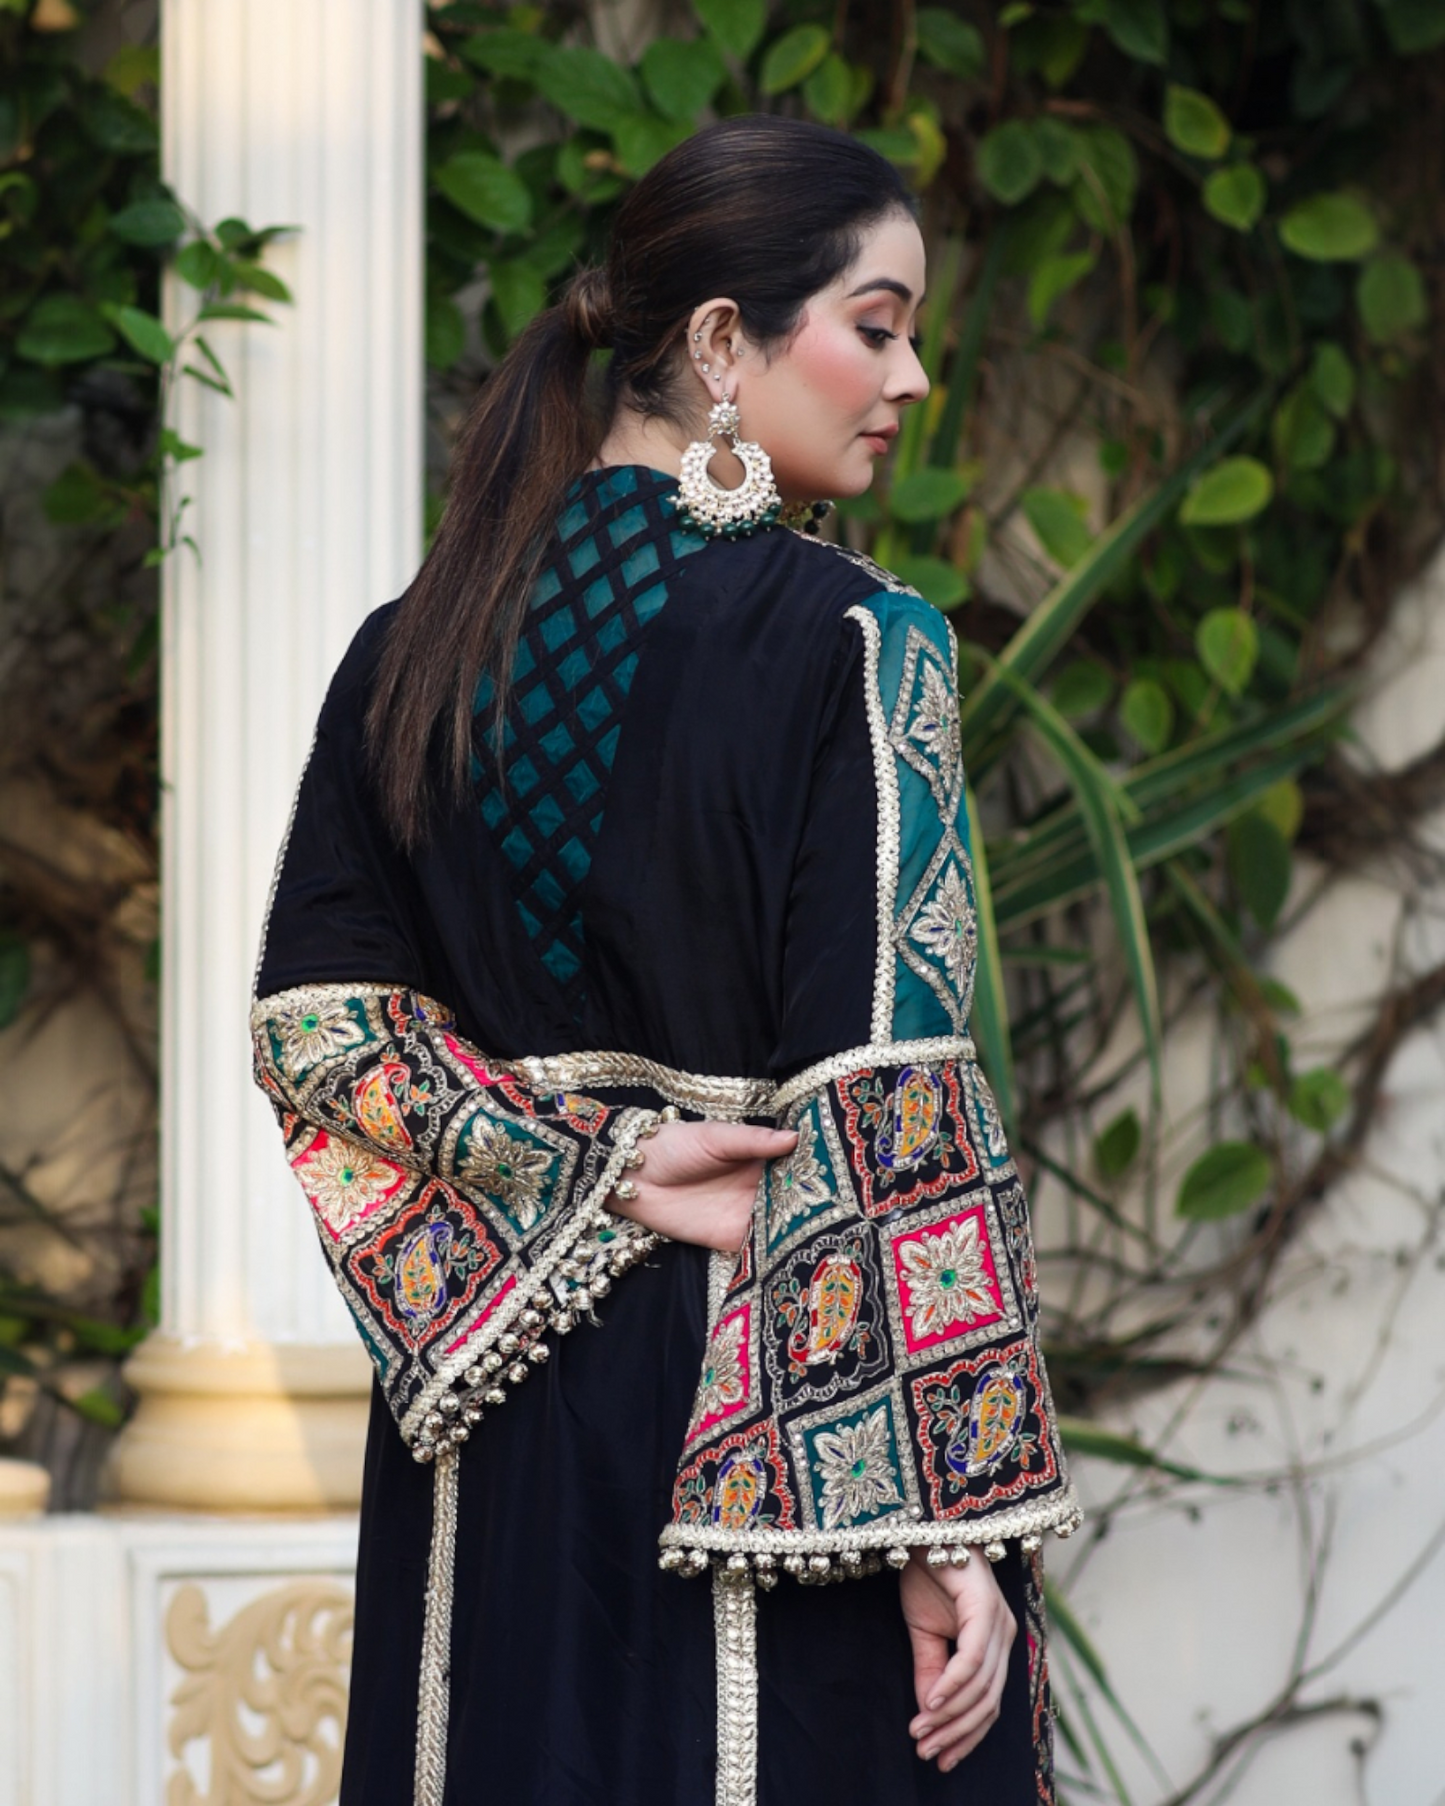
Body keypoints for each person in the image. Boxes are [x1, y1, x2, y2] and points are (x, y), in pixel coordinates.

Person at [250, 115, 1078, 1806]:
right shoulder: (856, 645)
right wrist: (931, 1527)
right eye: (876, 319)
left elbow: (320, 1034)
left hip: (506, 1442)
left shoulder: (410, 653)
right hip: (782, 1429)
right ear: (721, 343)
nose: (911, 373)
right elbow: (881, 1090)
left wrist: (591, 1166)